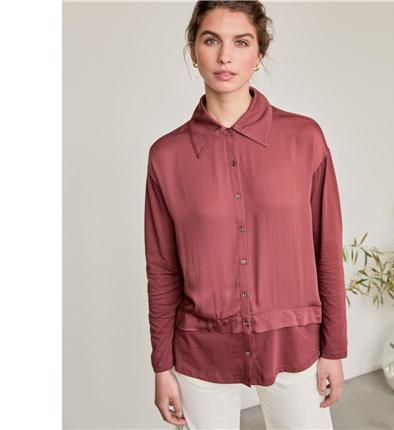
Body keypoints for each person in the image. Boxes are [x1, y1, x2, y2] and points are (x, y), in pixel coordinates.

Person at [144, 1, 348, 429]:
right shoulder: (166, 156)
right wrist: (161, 366)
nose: (225, 56)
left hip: (294, 343)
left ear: (259, 54)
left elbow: (326, 249)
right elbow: (162, 268)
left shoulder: (305, 138)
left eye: (241, 42)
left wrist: (333, 349)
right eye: (211, 40)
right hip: (201, 351)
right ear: (193, 50)